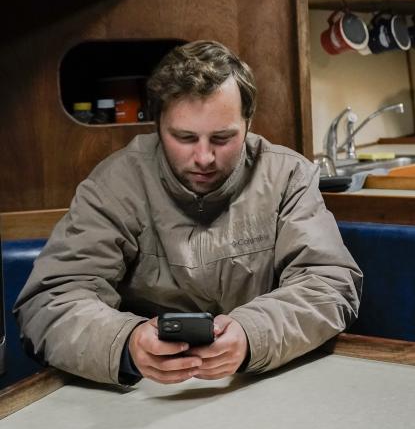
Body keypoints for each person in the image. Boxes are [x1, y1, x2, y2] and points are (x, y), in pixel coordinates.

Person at [15, 40, 362, 386]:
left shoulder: (288, 176)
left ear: (248, 123)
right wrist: (127, 343)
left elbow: (329, 284)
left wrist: (251, 334)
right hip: (146, 395)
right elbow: (50, 301)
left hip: (263, 379)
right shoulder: (115, 184)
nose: (204, 158)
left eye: (223, 138)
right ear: (157, 126)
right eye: (184, 137)